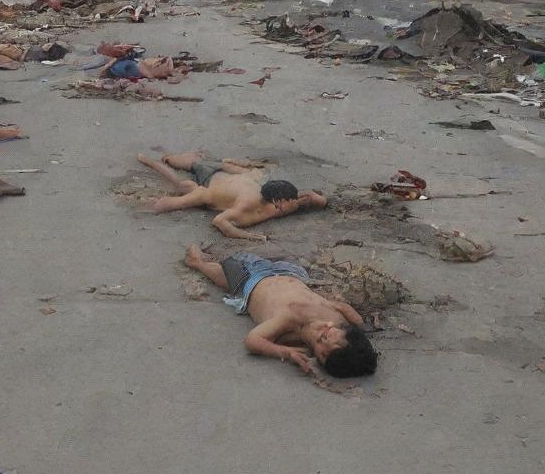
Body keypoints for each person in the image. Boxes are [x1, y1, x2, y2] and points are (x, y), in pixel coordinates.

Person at [184, 244, 377, 377]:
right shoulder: (335, 317)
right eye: (331, 331)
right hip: (291, 273)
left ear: (319, 356)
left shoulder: (290, 323)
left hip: (252, 280)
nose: (322, 330)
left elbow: (252, 341)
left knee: (231, 270)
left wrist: (285, 352)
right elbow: (343, 307)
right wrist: (363, 326)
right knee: (283, 257)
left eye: (320, 342)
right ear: (344, 329)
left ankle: (198, 263)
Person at [137, 152, 327, 241]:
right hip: (211, 182)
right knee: (190, 175)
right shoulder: (248, 206)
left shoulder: (283, 197)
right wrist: (250, 236)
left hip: (236, 175)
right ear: (278, 202)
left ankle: (208, 161)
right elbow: (220, 221)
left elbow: (314, 198)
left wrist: (314, 198)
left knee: (217, 168)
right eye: (290, 201)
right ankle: (158, 160)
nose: (295, 203)